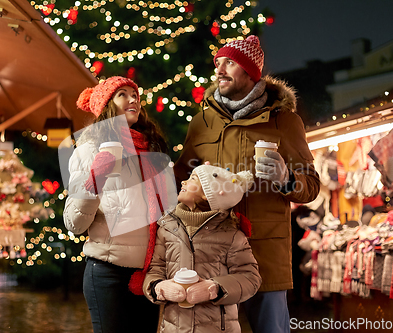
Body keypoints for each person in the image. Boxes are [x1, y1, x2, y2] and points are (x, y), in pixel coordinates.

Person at [173, 35, 321, 333]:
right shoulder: (201, 122)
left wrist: (286, 179)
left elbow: (312, 186)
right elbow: (180, 180)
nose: (219, 69)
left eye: (230, 62)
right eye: (218, 63)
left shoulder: (284, 121)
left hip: (263, 252)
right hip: (211, 255)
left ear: (251, 72)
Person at [63, 76, 174, 333]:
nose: (133, 99)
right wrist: (94, 182)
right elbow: (74, 224)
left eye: (135, 94)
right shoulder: (89, 150)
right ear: (107, 106)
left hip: (150, 274)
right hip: (108, 274)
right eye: (122, 94)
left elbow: (168, 213)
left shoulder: (153, 151)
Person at [143, 163, 262, 332]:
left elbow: (250, 278)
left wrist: (214, 289)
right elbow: (156, 268)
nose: (183, 181)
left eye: (192, 179)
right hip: (173, 328)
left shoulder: (232, 235)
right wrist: (158, 287)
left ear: (207, 195)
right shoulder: (167, 228)